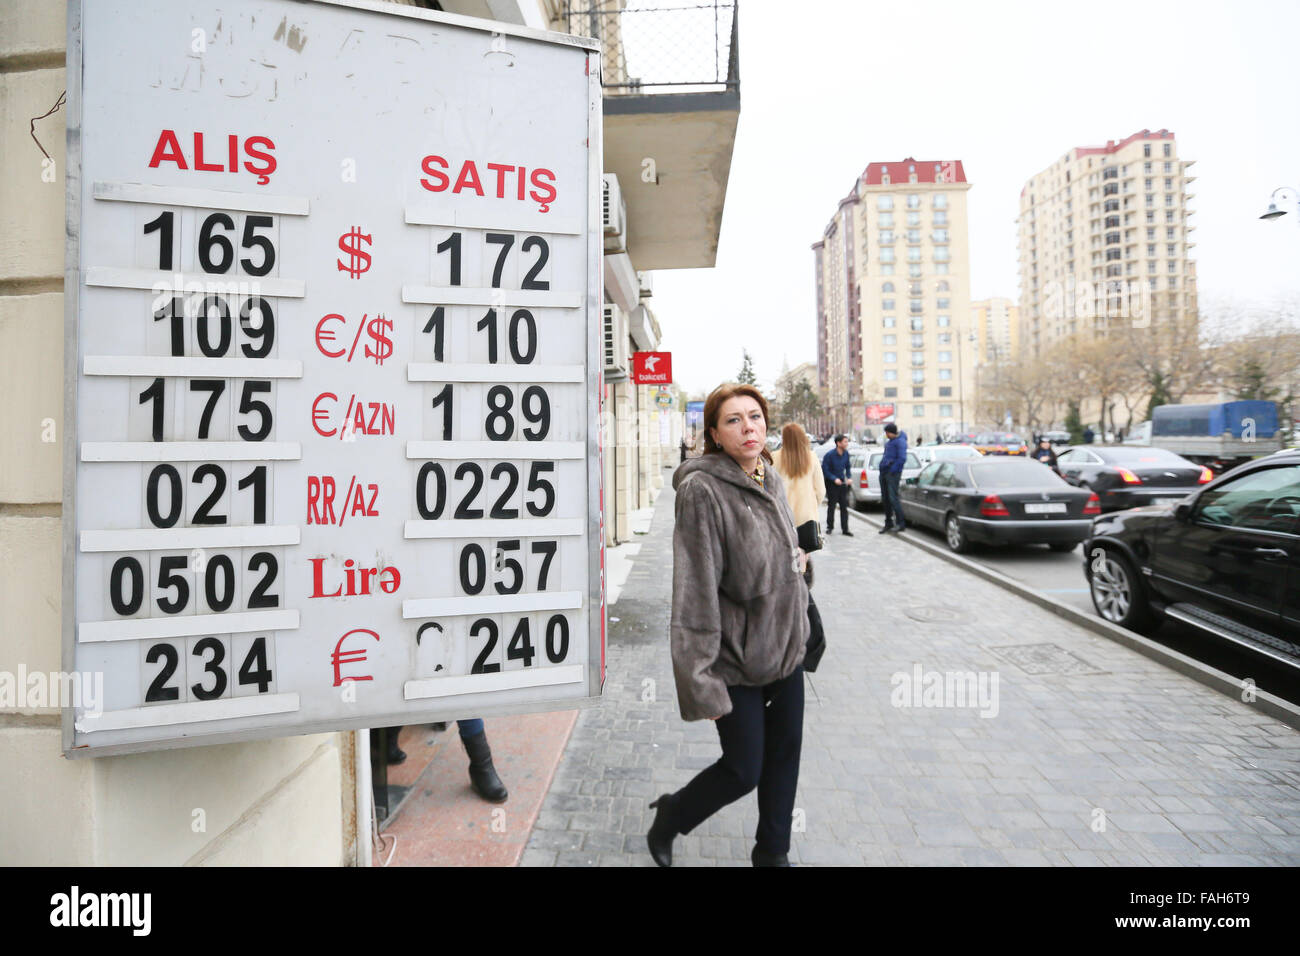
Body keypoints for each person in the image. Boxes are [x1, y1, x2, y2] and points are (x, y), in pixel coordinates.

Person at [649, 383, 809, 867]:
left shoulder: (769, 475)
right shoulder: (702, 491)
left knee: (785, 757)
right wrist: (700, 683)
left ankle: (772, 853)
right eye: (734, 420)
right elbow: (694, 590)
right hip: (734, 661)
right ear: (715, 434)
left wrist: (799, 564)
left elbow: (778, 551)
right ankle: (672, 814)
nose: (749, 428)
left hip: (785, 648)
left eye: (756, 417)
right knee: (743, 770)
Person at [771, 422, 826, 586]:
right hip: (806, 516)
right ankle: (800, 588)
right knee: (802, 555)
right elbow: (821, 490)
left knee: (785, 553)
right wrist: (813, 505)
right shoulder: (812, 457)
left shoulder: (774, 457)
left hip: (782, 515)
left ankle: (789, 586)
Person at [878, 422, 908, 533]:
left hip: (892, 474)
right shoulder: (889, 442)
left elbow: (902, 459)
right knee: (885, 499)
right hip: (884, 473)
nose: (886, 435)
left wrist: (892, 470)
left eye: (887, 432)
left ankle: (901, 523)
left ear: (891, 432)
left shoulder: (900, 442)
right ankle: (888, 523)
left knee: (893, 498)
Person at [821, 433, 853, 536]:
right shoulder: (829, 455)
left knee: (844, 507)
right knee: (832, 506)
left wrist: (849, 477)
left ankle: (845, 529)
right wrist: (834, 479)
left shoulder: (846, 454)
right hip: (832, 484)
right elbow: (825, 469)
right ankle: (830, 527)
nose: (847, 443)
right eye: (845, 442)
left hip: (842, 484)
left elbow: (848, 467)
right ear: (838, 443)